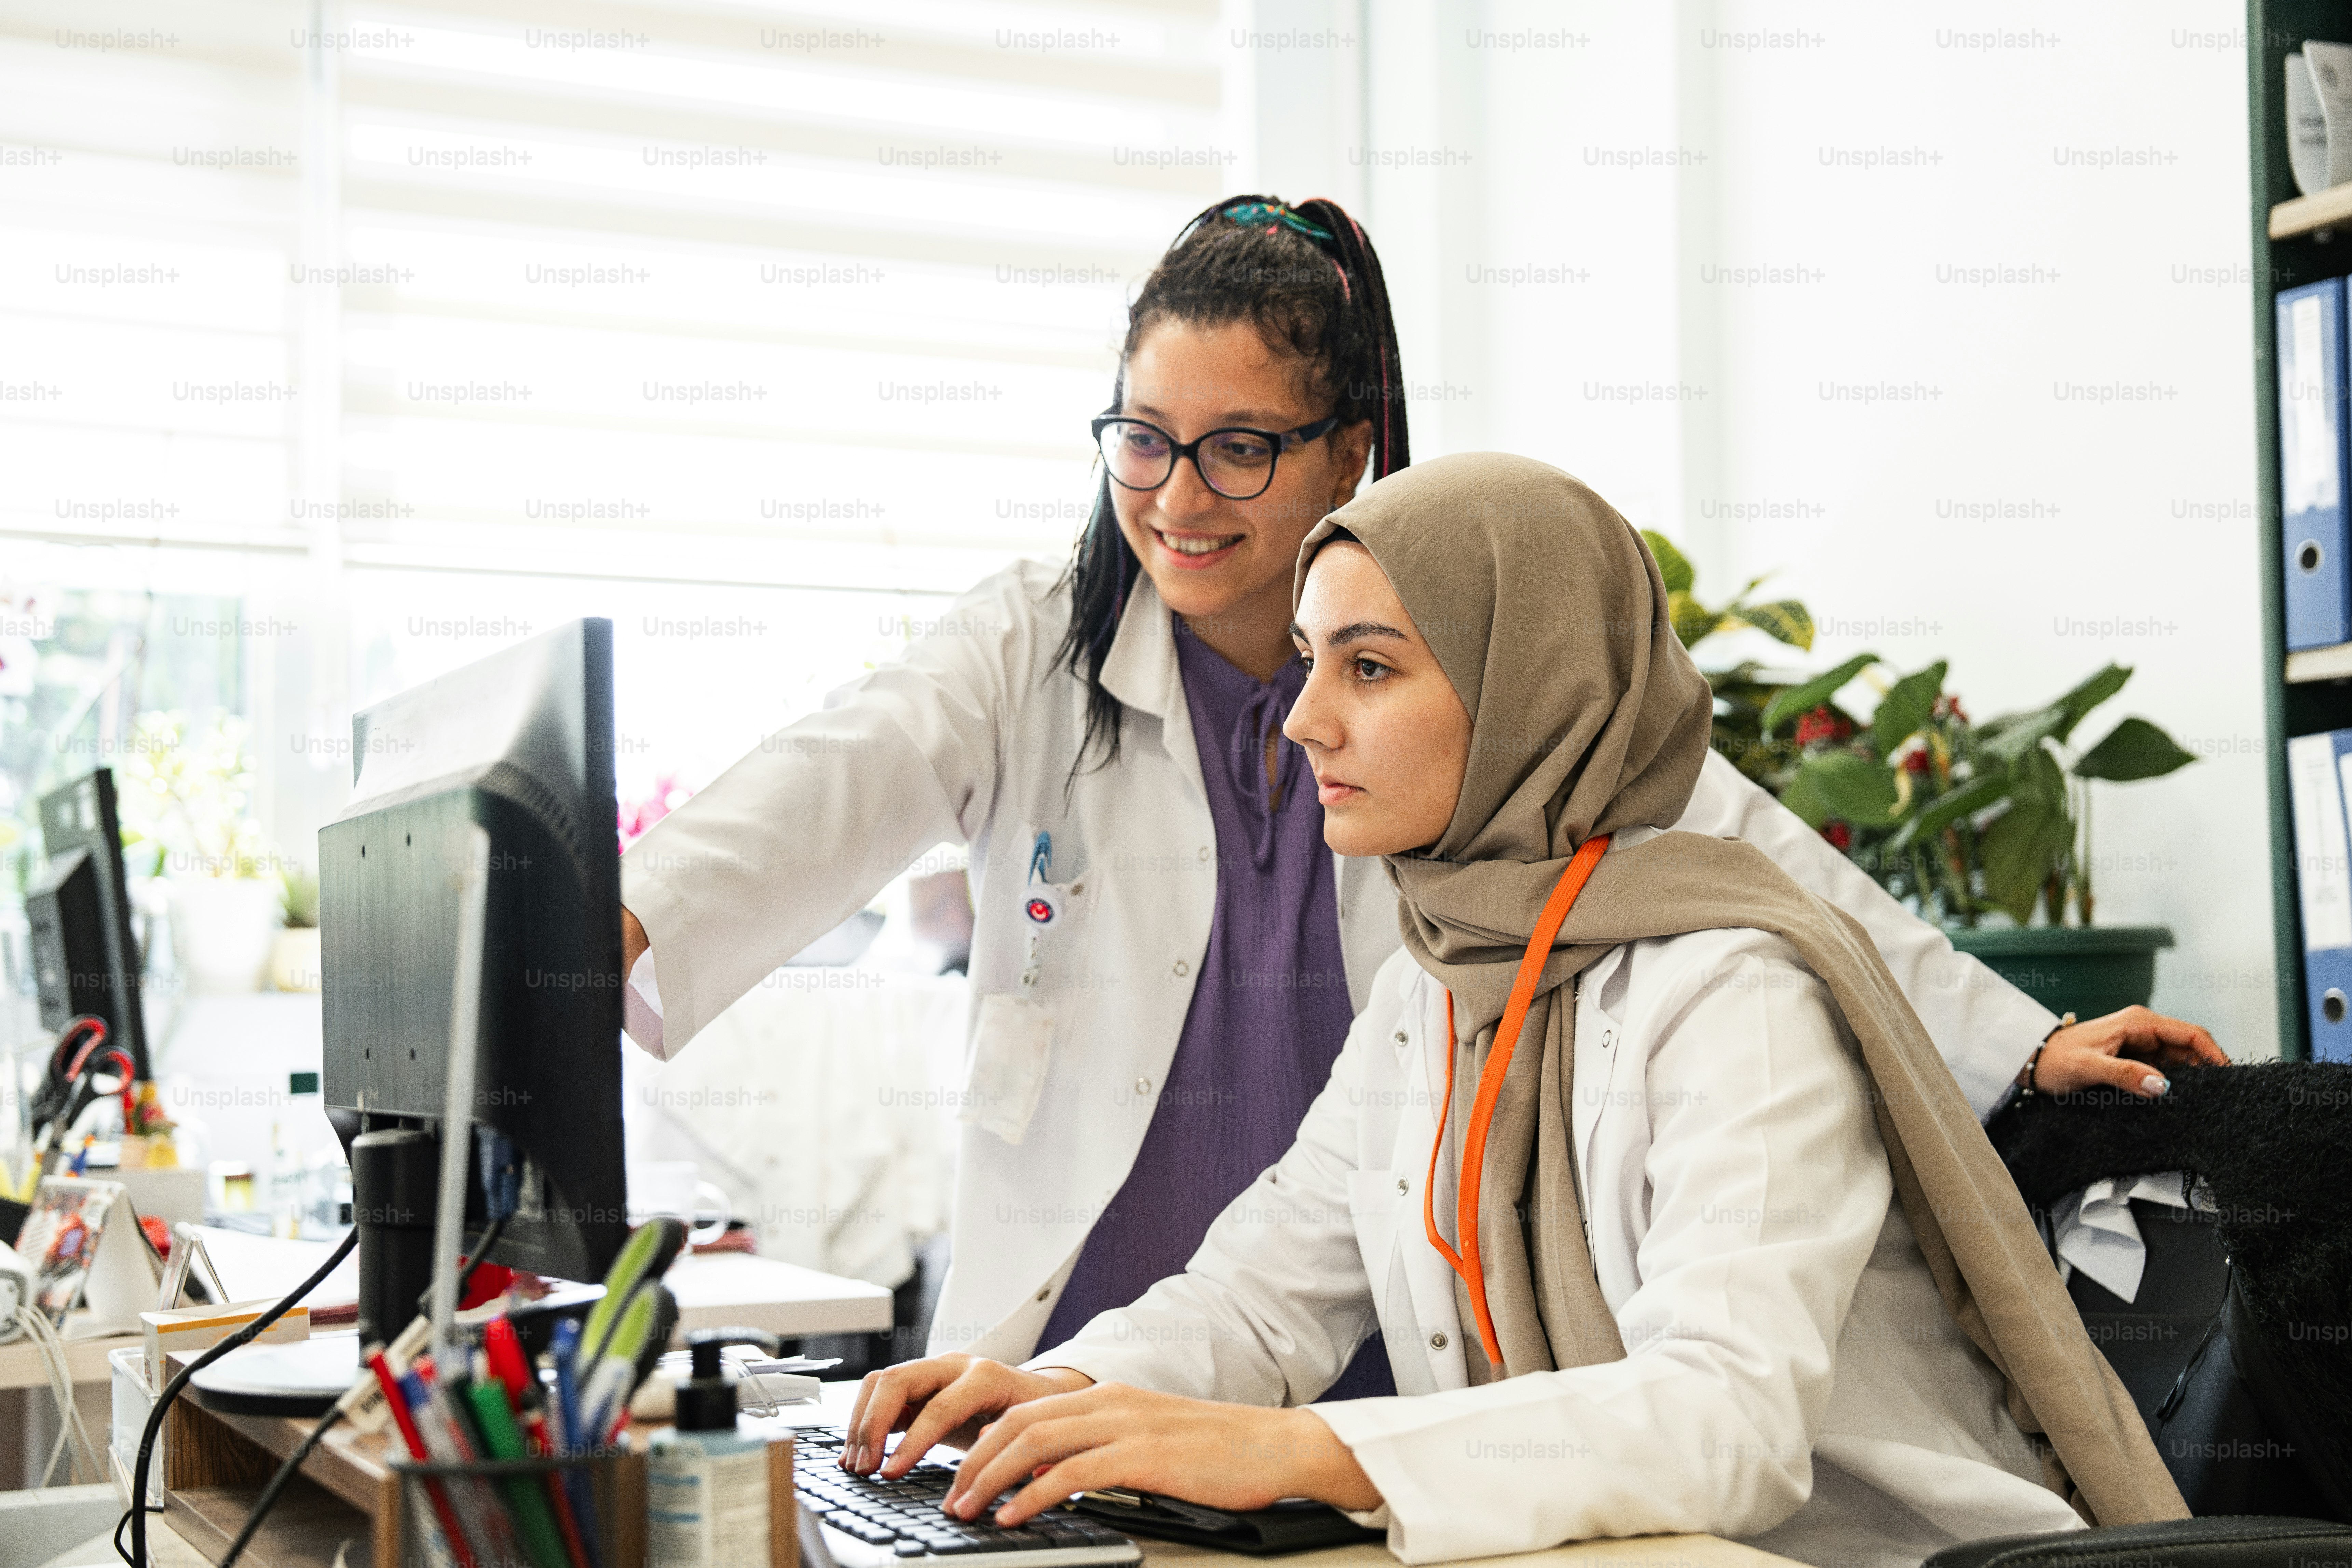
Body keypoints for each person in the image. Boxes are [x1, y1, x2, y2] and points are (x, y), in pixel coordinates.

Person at [617, 195, 2225, 1376]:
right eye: (1141, 440)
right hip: (1096, 1346)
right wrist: (604, 926)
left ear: (1351, 450)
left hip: (1395, 1364)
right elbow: (823, 783)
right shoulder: (1035, 649)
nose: (1175, 498)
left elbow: (1722, 836)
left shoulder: (1460, 666)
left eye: (1237, 447)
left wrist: (2013, 1042)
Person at [837, 455, 2189, 1568]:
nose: (1302, 718)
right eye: (1308, 661)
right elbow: (1260, 1295)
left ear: (1528, 694)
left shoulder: (1731, 992)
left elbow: (1728, 1415)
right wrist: (1058, 1392)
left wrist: (1317, 1449)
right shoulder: (1433, 987)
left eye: (1367, 667)